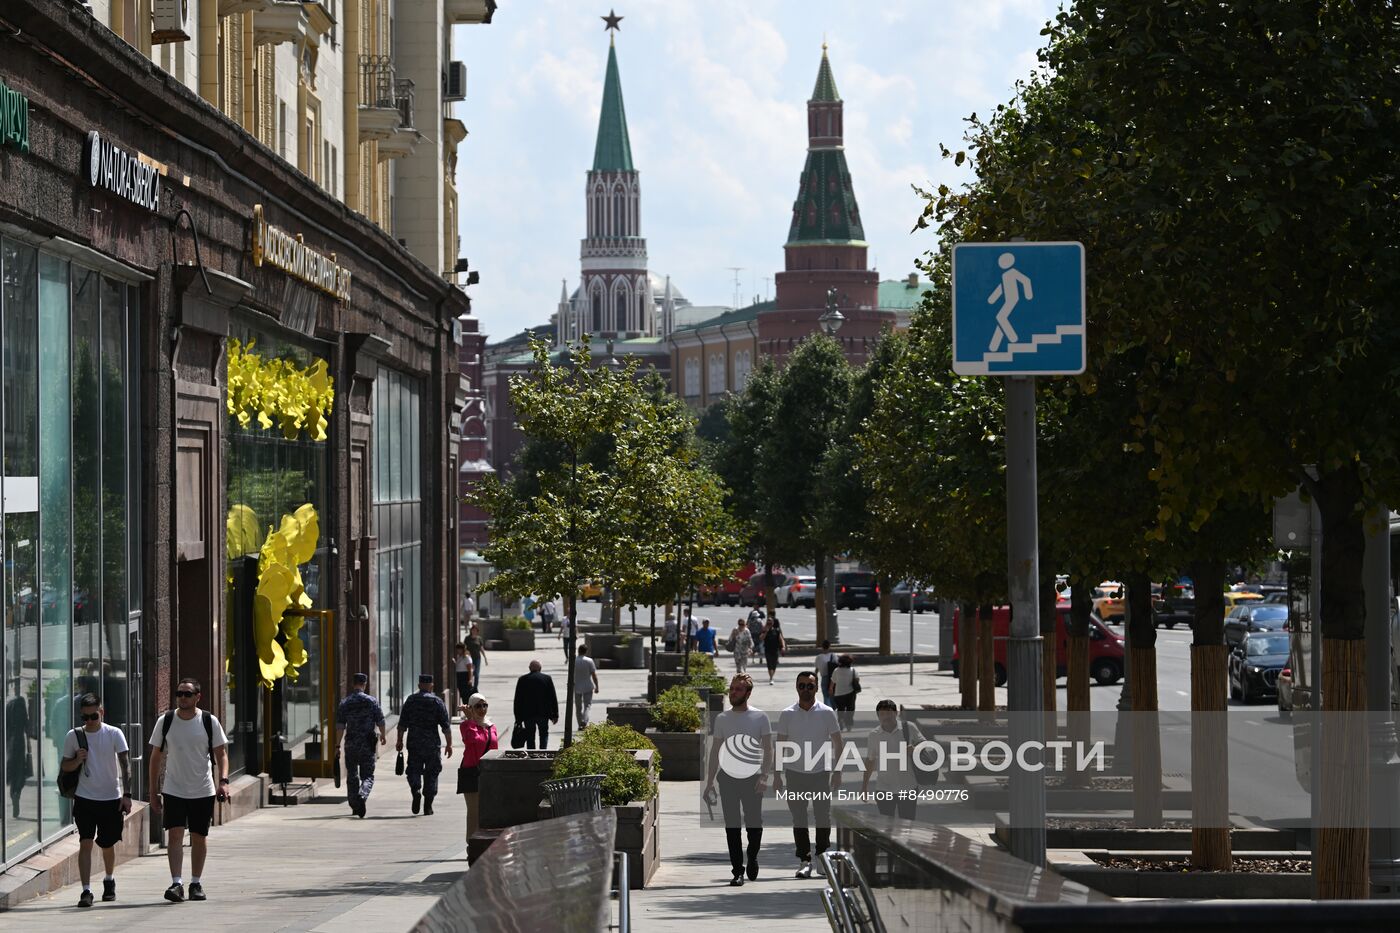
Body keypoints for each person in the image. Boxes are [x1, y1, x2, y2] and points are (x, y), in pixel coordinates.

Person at [147, 678, 230, 904]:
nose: (182, 698)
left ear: (197, 697)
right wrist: (153, 792)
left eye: (187, 694)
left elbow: (221, 754)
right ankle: (176, 883)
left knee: (198, 836)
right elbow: (155, 757)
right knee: (174, 834)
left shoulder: (208, 721)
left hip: (202, 789)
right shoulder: (166, 721)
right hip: (173, 788)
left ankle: (195, 882)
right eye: (179, 693)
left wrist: (223, 781)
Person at [61, 693, 132, 907]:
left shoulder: (114, 733)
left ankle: (109, 880)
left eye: (93, 716)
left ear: (101, 713)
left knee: (107, 844)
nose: (89, 721)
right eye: (85, 717)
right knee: (85, 841)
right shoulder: (74, 736)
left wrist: (127, 795)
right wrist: (77, 760)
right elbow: (65, 767)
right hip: (85, 798)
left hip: (111, 798)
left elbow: (126, 765)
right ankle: (86, 890)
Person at [703, 674, 771, 886]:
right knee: (732, 826)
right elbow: (715, 751)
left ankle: (752, 856)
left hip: (752, 777)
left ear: (748, 693)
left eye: (738, 689)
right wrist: (709, 782)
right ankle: (737, 871)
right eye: (732, 689)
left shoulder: (760, 717)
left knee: (754, 824)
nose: (733, 693)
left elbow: (769, 749)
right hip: (728, 778)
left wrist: (764, 777)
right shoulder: (723, 719)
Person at [775, 672, 842, 879]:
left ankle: (822, 858)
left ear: (816, 689)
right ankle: (804, 861)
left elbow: (838, 743)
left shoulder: (827, 712)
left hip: (821, 773)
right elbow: (780, 745)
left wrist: (837, 772)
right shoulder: (787, 714)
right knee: (799, 818)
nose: (806, 689)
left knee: (823, 816)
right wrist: (776, 775)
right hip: (795, 774)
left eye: (810, 686)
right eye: (802, 686)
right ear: (797, 688)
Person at [863, 700, 931, 820]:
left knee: (907, 825)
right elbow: (870, 760)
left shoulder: (908, 727)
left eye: (889, 713)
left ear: (896, 713)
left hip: (908, 786)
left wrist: (915, 749)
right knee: (886, 827)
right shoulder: (874, 735)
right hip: (884, 788)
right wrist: (864, 786)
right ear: (878, 716)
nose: (886, 717)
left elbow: (926, 744)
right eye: (882, 714)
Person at [395, 674, 453, 816]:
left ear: (419, 685)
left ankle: (416, 790)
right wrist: (449, 744)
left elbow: (402, 724)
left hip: (414, 743)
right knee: (432, 772)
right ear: (431, 685)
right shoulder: (437, 702)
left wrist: (399, 740)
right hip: (432, 744)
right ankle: (428, 805)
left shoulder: (411, 700)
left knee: (414, 769)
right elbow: (445, 726)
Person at [336, 673, 387, 819]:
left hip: (351, 744)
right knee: (368, 775)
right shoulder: (372, 701)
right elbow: (381, 721)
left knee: (352, 775)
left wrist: (337, 746)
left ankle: (354, 805)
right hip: (367, 744)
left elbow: (340, 726)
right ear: (364, 684)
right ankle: (362, 796)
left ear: (353, 684)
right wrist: (383, 735)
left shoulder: (345, 702)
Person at [458, 693, 499, 842]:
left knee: (486, 810)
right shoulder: (466, 726)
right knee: (474, 810)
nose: (482, 709)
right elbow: (471, 740)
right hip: (471, 772)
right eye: (478, 706)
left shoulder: (491, 726)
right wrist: (470, 720)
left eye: (484, 705)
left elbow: (495, 748)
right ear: (471, 708)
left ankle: (483, 840)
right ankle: (471, 842)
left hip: (488, 772)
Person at [513, 660, 559, 749]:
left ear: (529, 668)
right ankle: (543, 752)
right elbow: (553, 697)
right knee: (544, 734)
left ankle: (531, 755)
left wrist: (518, 718)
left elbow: (517, 700)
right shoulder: (547, 678)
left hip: (528, 714)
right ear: (540, 669)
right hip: (543, 714)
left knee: (530, 736)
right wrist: (555, 714)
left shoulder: (522, 679)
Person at [6, 678, 31, 819]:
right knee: (20, 772)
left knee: (12, 771)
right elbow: (27, 724)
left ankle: (13, 793)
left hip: (9, 743)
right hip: (19, 742)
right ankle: (16, 793)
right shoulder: (21, 703)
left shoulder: (8, 705)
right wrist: (29, 740)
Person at [830, 655, 860, 730]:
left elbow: (832, 682)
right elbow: (857, 680)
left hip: (838, 693)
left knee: (840, 709)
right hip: (850, 693)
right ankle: (849, 725)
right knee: (850, 709)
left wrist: (830, 689)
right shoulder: (853, 670)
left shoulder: (836, 670)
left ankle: (841, 721)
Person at [573, 644, 600, 728]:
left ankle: (579, 723)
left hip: (576, 686)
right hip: (588, 686)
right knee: (587, 706)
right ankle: (584, 721)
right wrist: (597, 686)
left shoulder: (574, 661)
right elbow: (593, 675)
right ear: (586, 651)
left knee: (578, 707)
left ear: (578, 651)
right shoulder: (589, 661)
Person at [761, 616, 786, 686]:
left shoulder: (776, 631)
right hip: (767, 650)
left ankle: (772, 676)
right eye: (768, 622)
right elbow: (761, 638)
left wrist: (783, 647)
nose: (769, 623)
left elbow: (781, 639)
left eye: (770, 622)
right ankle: (771, 678)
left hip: (775, 650)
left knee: (774, 665)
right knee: (769, 664)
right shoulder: (764, 630)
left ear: (773, 623)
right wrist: (766, 631)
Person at [452, 643, 475, 718]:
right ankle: (467, 712)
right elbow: (459, 666)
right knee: (462, 695)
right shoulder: (459, 657)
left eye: (459, 649)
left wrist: (470, 679)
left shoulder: (467, 657)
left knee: (466, 696)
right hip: (459, 676)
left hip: (465, 676)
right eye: (457, 649)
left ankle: (469, 712)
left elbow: (470, 669)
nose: (458, 651)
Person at [464, 624, 487, 695]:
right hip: (469, 659)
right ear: (471, 631)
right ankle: (469, 687)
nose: (474, 631)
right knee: (470, 673)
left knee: (476, 674)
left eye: (475, 630)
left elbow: (481, 648)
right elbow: (464, 648)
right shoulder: (467, 638)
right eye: (473, 630)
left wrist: (485, 658)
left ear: (477, 631)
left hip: (477, 658)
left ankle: (475, 688)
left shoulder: (479, 638)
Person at [814, 640, 837, 707]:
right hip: (833, 678)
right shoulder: (833, 656)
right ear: (829, 647)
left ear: (822, 647)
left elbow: (817, 669)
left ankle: (827, 710)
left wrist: (815, 678)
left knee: (826, 696)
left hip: (824, 678)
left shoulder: (819, 657)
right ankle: (833, 708)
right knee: (832, 695)